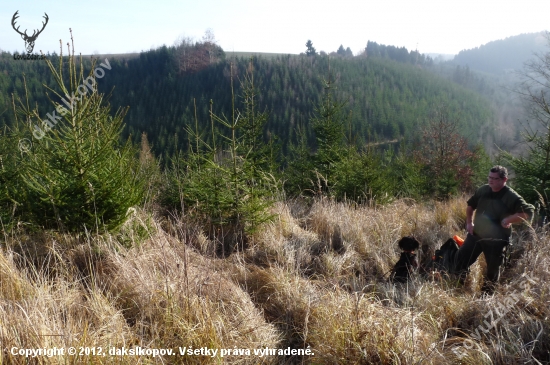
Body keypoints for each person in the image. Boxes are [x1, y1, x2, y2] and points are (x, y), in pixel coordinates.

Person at [454, 165, 534, 292]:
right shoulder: (484, 189)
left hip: (496, 240)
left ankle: (486, 299)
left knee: (492, 272)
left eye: (495, 178)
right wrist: (469, 223)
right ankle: (457, 287)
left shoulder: (510, 196)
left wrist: (508, 220)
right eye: (489, 177)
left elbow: (528, 212)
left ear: (504, 180)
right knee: (460, 260)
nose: (490, 180)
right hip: (476, 234)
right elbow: (470, 205)